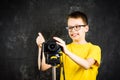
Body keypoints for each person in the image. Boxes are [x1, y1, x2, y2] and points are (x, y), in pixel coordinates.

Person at [36, 11, 101, 80]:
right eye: (70, 27)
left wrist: (67, 52)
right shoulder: (64, 48)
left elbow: (87, 65)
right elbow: (42, 67)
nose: (73, 30)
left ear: (86, 28)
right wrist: (41, 47)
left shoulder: (94, 48)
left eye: (77, 27)